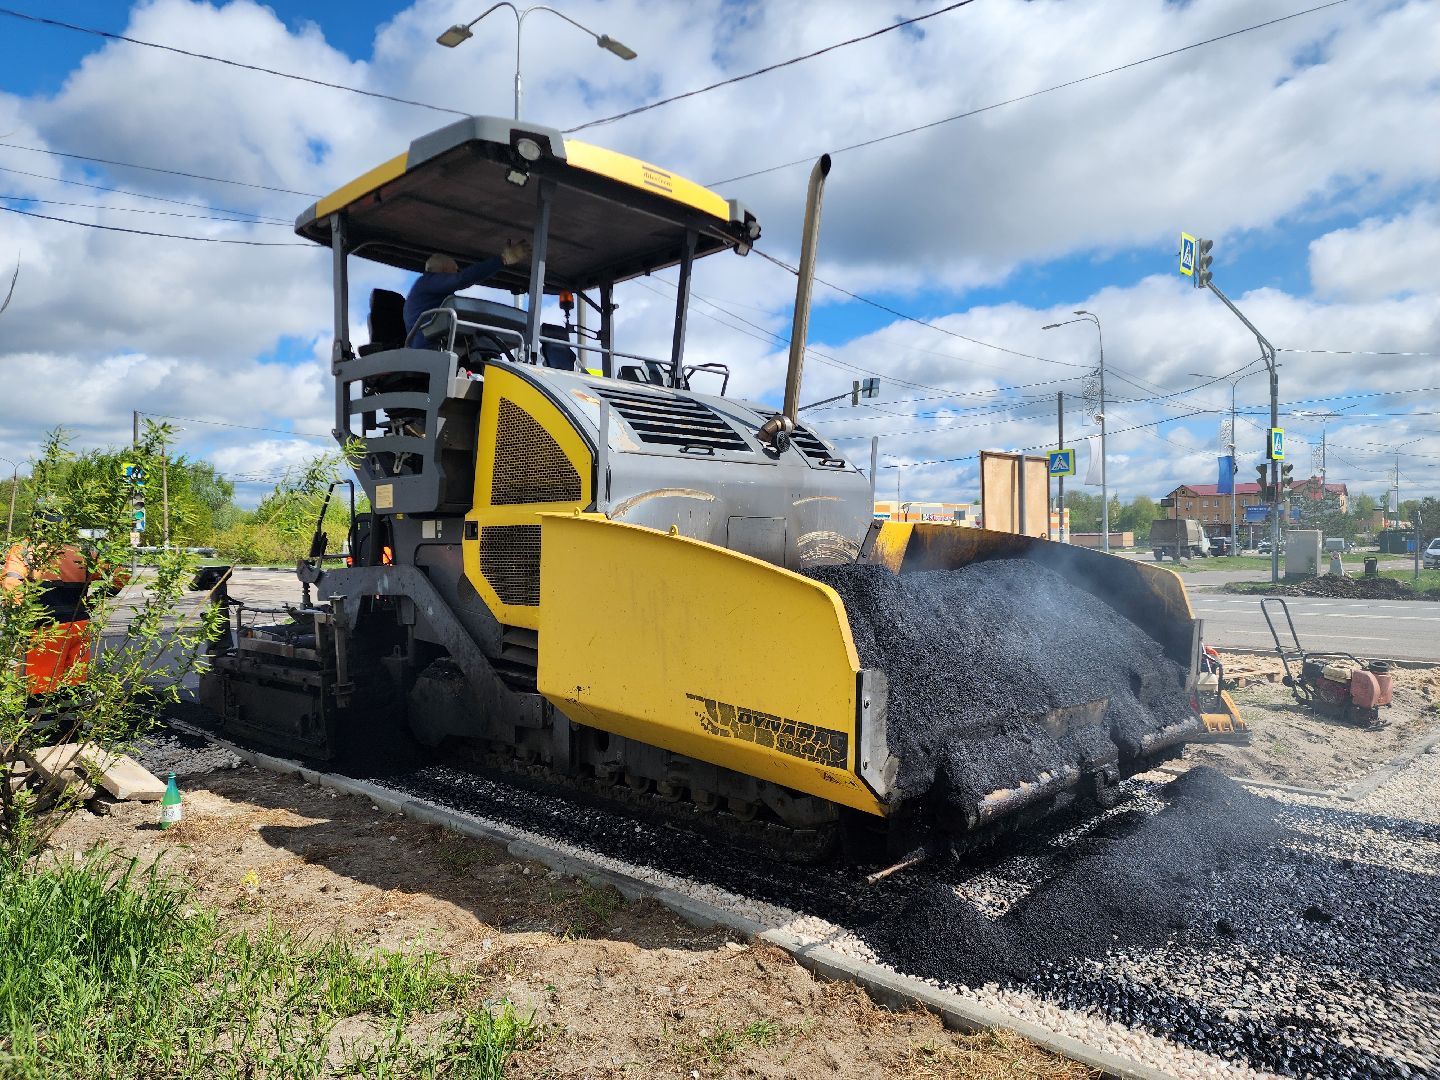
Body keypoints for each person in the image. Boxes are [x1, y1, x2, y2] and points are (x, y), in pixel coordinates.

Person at [402, 240, 531, 342]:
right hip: (430, 347)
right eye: (455, 270)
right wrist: (502, 260)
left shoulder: (426, 288)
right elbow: (461, 279)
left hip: (434, 344)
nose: (457, 273)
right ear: (444, 270)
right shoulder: (427, 282)